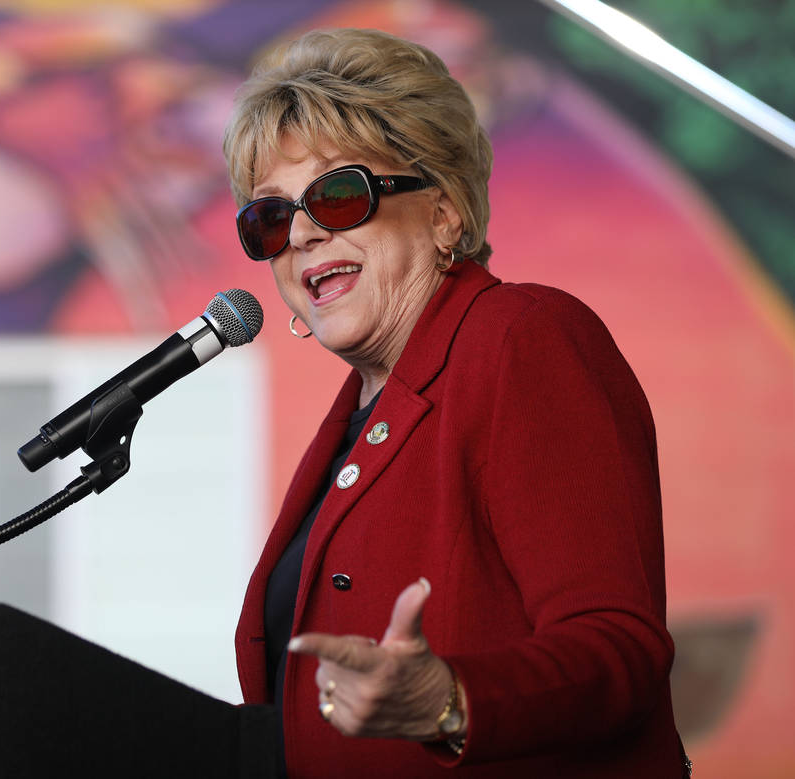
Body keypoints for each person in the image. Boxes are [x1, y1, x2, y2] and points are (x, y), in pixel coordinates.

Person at [224, 28, 688, 778]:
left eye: (339, 195)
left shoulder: (521, 340)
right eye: (270, 219)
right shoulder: (356, 418)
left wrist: (451, 700)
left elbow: (619, 647)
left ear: (443, 213)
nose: (302, 233)